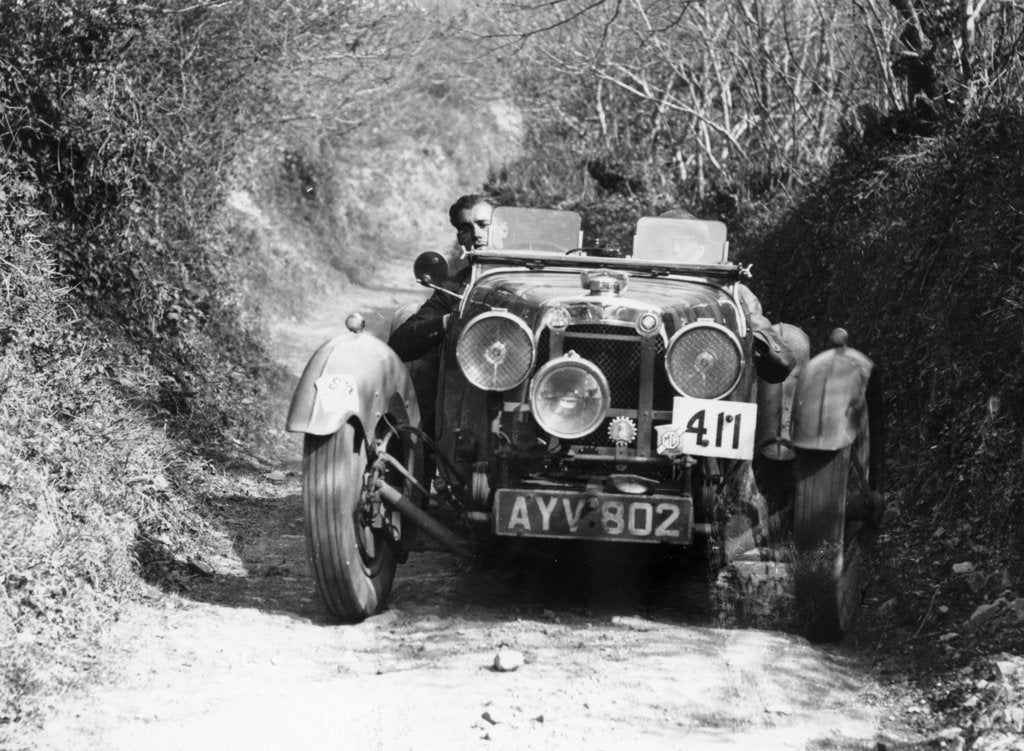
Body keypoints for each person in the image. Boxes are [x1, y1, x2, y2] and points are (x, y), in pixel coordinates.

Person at [659, 208, 794, 383]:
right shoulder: (641, 292)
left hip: (711, 380)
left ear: (701, 248)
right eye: (667, 242)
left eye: (683, 241)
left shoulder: (730, 293)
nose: (675, 248)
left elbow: (775, 355)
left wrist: (753, 335)